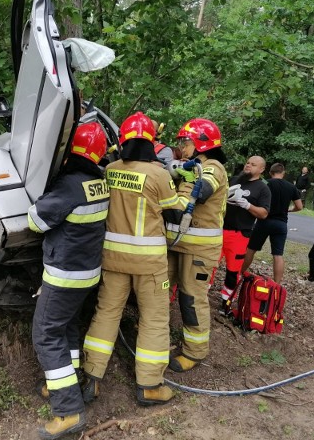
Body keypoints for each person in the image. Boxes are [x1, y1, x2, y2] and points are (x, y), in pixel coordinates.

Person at [82, 112, 180, 407]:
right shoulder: (160, 175)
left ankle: (91, 378)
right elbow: (173, 220)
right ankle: (149, 386)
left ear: (122, 140)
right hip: (150, 265)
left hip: (112, 259)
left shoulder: (109, 170)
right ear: (152, 141)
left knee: (106, 314)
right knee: (154, 320)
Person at [28, 122, 110, 439]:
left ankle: (68, 411)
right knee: (68, 327)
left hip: (64, 276)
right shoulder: (98, 183)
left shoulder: (71, 185)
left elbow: (36, 221)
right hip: (88, 274)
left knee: (46, 334)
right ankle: (69, 380)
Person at [165, 118, 228, 372]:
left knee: (191, 299)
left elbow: (202, 190)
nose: (182, 146)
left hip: (198, 249)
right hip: (176, 245)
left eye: (186, 142)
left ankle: (195, 351)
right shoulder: (192, 165)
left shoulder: (213, 167)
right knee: (158, 292)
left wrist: (183, 172)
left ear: (202, 143)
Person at [217, 156, 271, 311]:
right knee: (209, 265)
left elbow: (264, 213)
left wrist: (247, 205)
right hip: (219, 229)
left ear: (261, 170)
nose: (248, 166)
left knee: (233, 270)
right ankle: (200, 294)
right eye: (248, 163)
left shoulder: (263, 189)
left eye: (253, 165)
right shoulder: (234, 180)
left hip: (239, 234)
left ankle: (226, 302)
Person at [240, 163, 303, 284]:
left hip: (264, 221)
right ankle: (276, 284)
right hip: (281, 223)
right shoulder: (291, 187)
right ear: (283, 173)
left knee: (251, 249)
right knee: (278, 254)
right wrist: (290, 209)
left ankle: (240, 272)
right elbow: (299, 206)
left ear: (270, 173)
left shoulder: (265, 183)